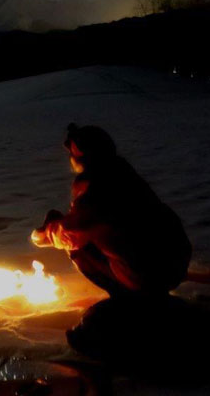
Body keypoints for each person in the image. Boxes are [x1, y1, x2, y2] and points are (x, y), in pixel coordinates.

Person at [31, 124, 191, 298]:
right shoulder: (123, 173)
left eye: (72, 153)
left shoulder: (97, 187)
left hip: (147, 273)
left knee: (77, 246)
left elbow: (70, 233)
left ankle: (128, 296)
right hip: (174, 264)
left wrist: (43, 233)